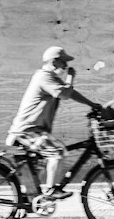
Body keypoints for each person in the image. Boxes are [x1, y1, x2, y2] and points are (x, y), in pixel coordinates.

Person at [6, 45, 102, 200]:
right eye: (64, 62)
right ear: (54, 62)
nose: (66, 66)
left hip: (32, 129)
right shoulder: (44, 76)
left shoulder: (51, 78)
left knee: (40, 167)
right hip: (28, 129)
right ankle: (50, 191)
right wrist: (70, 77)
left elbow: (70, 93)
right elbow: (64, 94)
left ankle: (33, 200)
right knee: (57, 152)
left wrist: (92, 104)